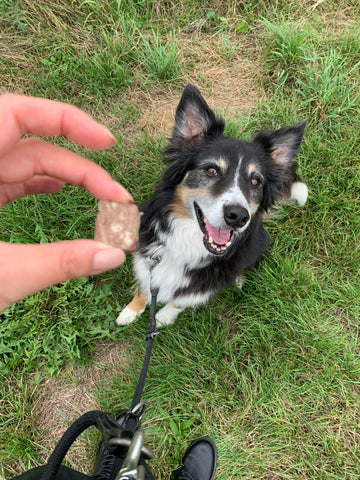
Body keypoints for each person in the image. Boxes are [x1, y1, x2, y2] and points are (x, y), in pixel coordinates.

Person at [2, 93, 217, 480]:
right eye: (214, 175)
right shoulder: (153, 223)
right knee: (147, 280)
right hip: (164, 240)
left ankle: (118, 460)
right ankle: (128, 462)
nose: (229, 206)